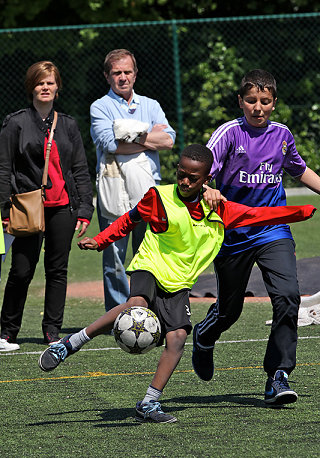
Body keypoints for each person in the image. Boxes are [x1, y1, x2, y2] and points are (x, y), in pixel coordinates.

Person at [38, 144, 315, 423]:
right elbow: (129, 219)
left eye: (192, 178)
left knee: (178, 338)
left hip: (179, 281)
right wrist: (100, 241)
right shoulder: (158, 196)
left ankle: (148, 403)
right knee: (136, 307)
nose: (184, 181)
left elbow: (258, 216)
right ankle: (70, 344)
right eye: (181, 174)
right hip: (150, 266)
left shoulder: (220, 209)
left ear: (207, 180)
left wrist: (301, 212)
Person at [192, 69, 320, 406]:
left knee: (288, 296)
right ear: (240, 101)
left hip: (273, 228)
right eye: (251, 100)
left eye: (265, 101)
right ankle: (204, 336)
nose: (258, 107)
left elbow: (298, 168)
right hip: (233, 232)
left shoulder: (282, 135)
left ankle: (278, 375)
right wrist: (207, 189)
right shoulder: (228, 134)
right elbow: (197, 174)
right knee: (229, 311)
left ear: (274, 103)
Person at [0, 61, 94, 352]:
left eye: (50, 82)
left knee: (58, 270)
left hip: (63, 207)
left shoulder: (67, 124)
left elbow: (80, 169)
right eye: (40, 82)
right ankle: (6, 332)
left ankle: (52, 331)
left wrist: (85, 208)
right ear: (32, 86)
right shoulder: (15, 122)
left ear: (57, 87)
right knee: (21, 270)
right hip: (27, 206)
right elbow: (3, 168)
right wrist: (4, 209)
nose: (45, 87)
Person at [90, 48, 176, 312]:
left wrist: (127, 134)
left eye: (128, 72)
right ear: (107, 76)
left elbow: (169, 141)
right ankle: (117, 314)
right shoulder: (100, 107)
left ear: (136, 74)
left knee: (147, 255)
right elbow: (109, 144)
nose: (123, 77)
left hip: (149, 192)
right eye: (117, 72)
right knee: (114, 258)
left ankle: (146, 310)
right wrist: (148, 137)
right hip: (113, 190)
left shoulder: (151, 105)